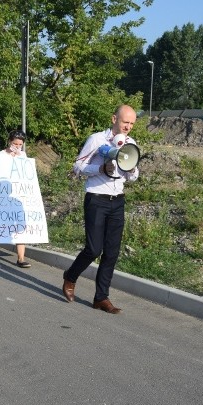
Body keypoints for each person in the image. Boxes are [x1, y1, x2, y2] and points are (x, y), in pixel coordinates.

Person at [61, 104, 140, 314]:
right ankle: (70, 276)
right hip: (97, 199)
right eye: (125, 122)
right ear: (114, 118)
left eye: (132, 123)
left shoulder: (131, 143)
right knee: (94, 249)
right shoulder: (97, 140)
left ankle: (101, 297)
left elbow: (134, 176)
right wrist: (100, 169)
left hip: (117, 201)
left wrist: (131, 170)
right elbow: (78, 166)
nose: (128, 127)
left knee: (112, 252)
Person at [0, 131, 31, 267]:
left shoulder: (22, 155)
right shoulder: (0, 155)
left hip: (18, 194)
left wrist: (19, 158)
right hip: (3, 195)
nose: (17, 146)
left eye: (20, 144)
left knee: (19, 222)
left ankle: (21, 258)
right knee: (1, 222)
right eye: (15, 144)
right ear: (9, 142)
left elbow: (27, 173)